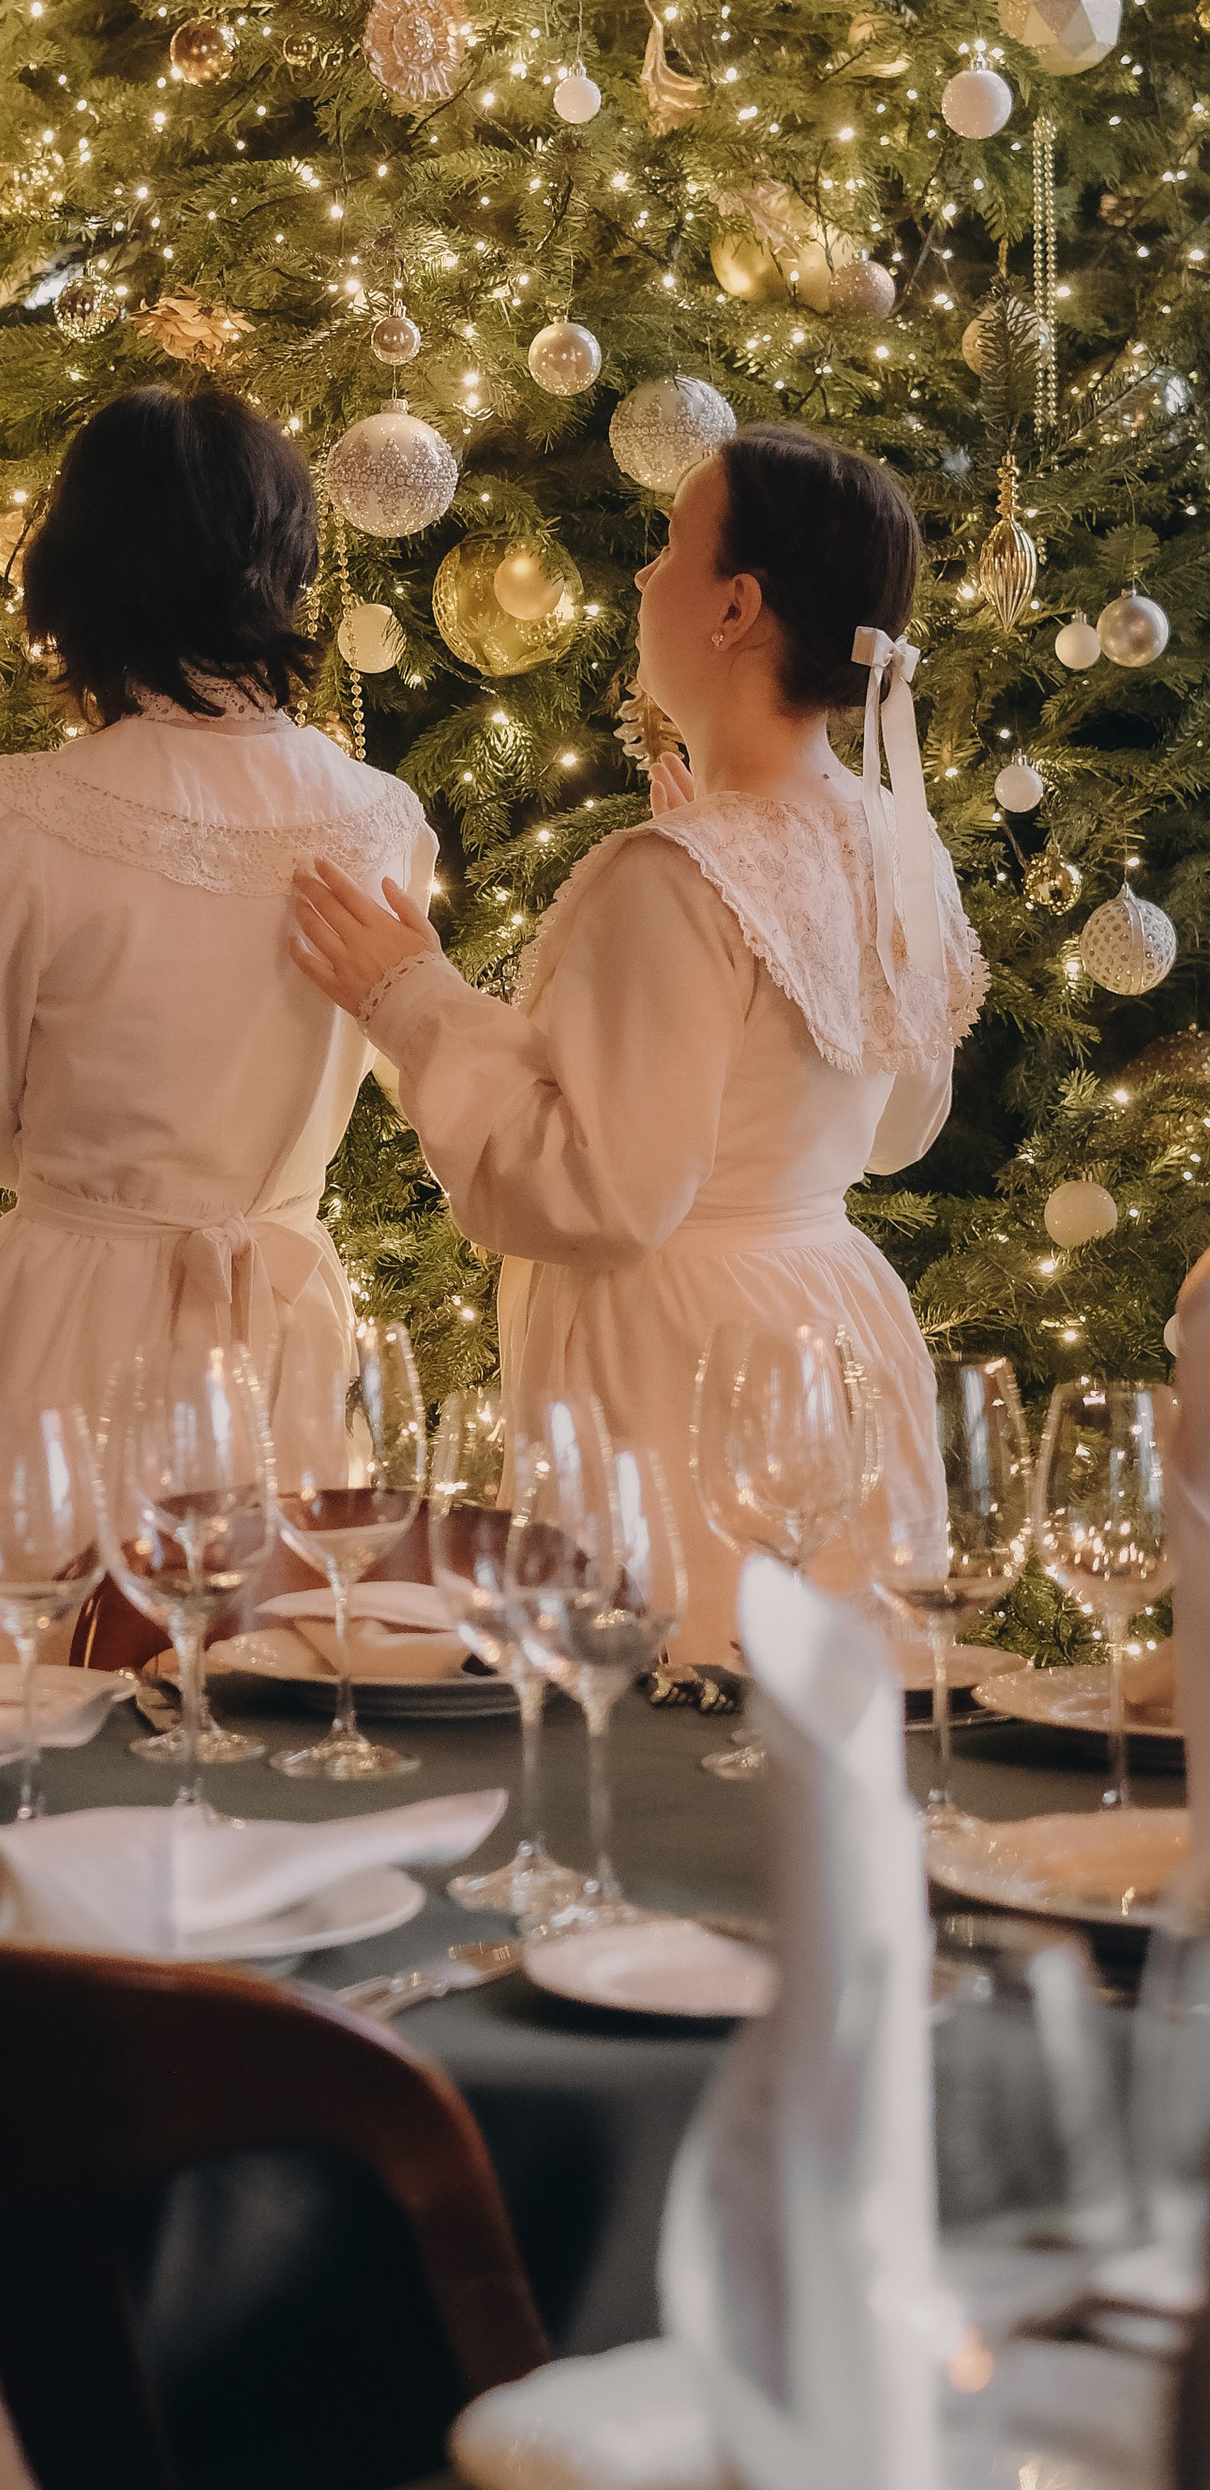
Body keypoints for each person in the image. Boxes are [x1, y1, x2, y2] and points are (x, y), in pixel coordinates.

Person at [290, 421, 986, 1662]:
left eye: (669, 546)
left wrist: (413, 996)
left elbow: (604, 1194)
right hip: (832, 1321)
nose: (641, 578)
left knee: (682, 1713)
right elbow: (893, 1129)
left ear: (736, 606)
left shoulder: (673, 875)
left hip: (687, 1361)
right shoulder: (893, 844)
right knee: (823, 1714)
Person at [0, 384, 435, 1671]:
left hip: (66, 1307)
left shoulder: (12, 815)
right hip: (276, 1309)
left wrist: (107, 1185)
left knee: (21, 1706)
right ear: (281, 565)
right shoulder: (381, 816)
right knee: (270, 1692)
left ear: (78, 571)